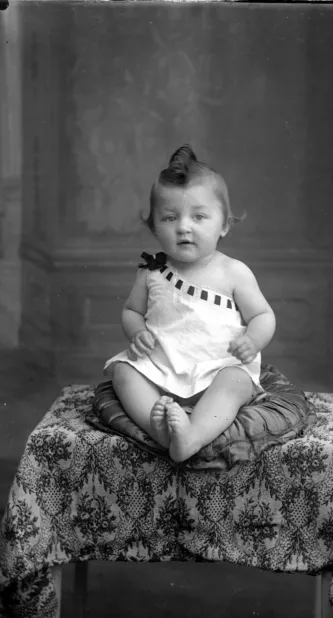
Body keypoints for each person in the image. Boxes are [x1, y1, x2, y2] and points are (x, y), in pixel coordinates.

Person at [104, 145, 276, 463]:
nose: (184, 226)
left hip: (217, 366)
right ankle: (168, 432)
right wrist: (137, 331)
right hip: (162, 366)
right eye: (170, 217)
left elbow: (263, 315)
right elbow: (132, 310)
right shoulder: (151, 268)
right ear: (154, 227)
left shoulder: (233, 272)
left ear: (224, 224)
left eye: (198, 216)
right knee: (123, 373)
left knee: (236, 381)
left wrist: (253, 340)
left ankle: (192, 436)